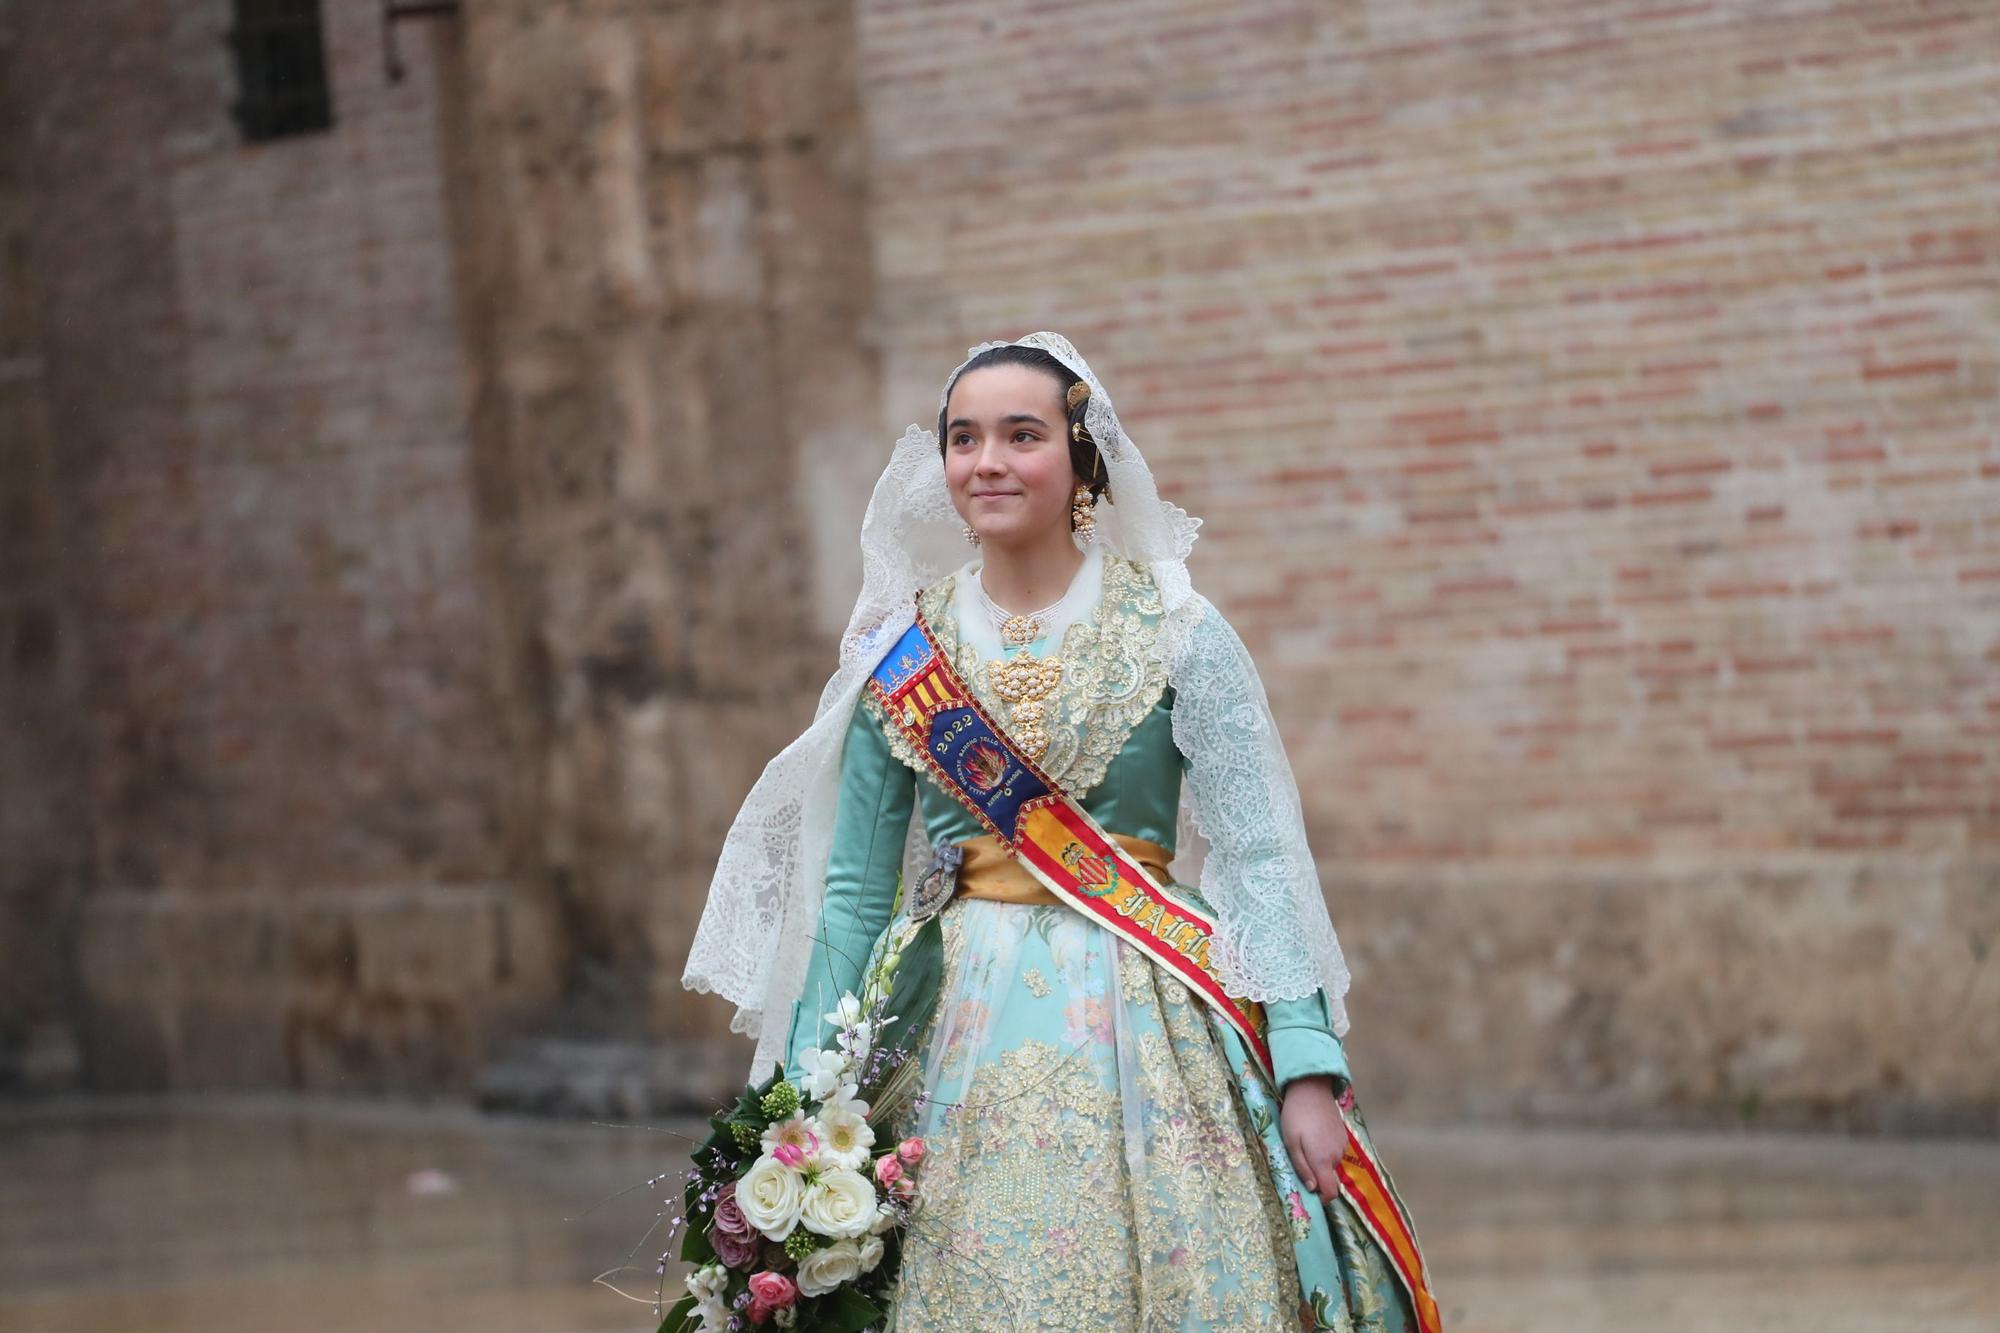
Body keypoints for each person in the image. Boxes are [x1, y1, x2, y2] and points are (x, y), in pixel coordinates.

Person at [684, 333, 1440, 1331]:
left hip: (1153, 1008)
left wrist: (1303, 1060)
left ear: (1081, 456)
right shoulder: (901, 655)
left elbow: (1259, 857)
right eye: (963, 437)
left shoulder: (1175, 628)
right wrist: (794, 1113)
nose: (985, 460)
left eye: (1020, 434)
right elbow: (856, 899)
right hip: (945, 1018)